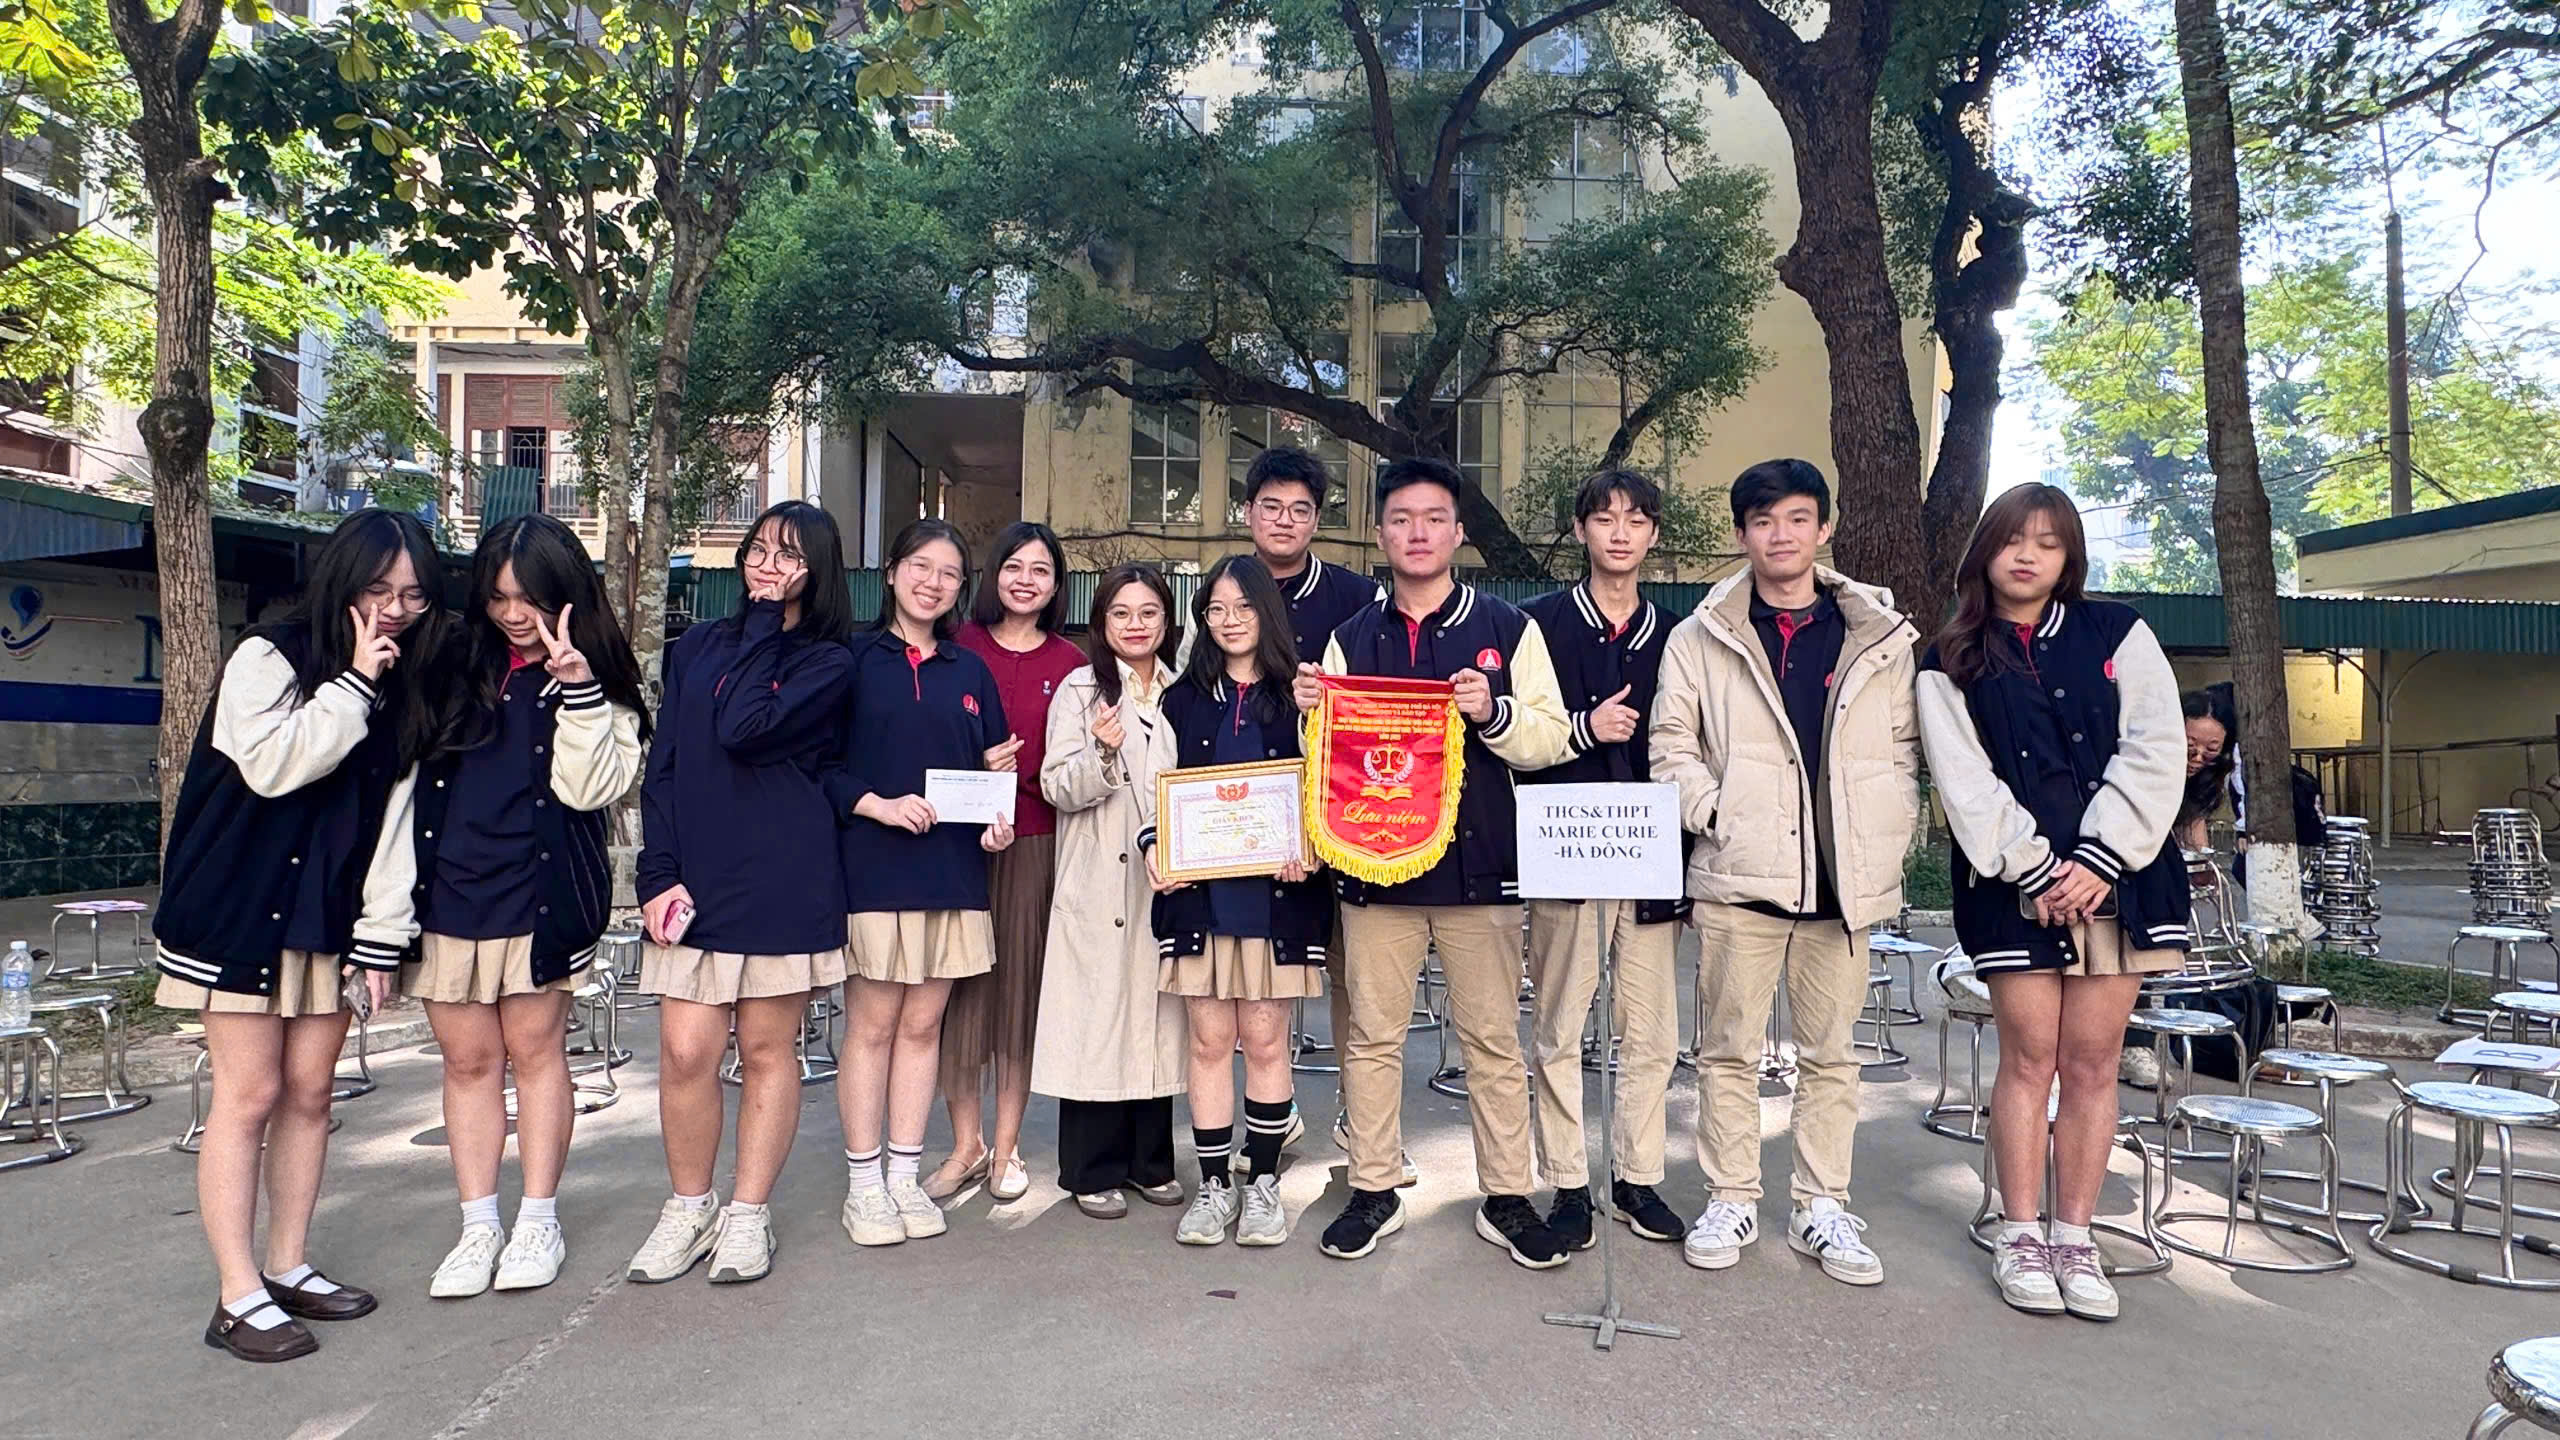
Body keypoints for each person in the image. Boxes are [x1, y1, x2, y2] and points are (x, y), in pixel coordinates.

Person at [153, 507, 444, 1363]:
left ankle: (287, 1265)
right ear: (341, 580)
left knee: (312, 1094)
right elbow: (277, 765)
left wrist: (381, 935)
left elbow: (395, 821)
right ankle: (236, 1294)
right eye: (379, 589)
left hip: (324, 916)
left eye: (413, 596)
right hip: (240, 908)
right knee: (249, 1096)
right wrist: (352, 684)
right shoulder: (269, 655)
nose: (395, 610)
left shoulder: (404, 683)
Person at [1916, 482, 2189, 1322]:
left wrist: (2101, 857)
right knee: (2029, 1058)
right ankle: (2021, 1232)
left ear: (2069, 554)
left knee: (2093, 1062)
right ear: (1986, 551)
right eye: (2012, 540)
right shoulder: (1950, 657)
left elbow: (2156, 748)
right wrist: (2036, 869)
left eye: (2048, 541)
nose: (2028, 556)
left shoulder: (2119, 631)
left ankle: (2076, 1235)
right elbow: (1965, 782)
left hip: (2123, 879)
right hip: (2015, 889)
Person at [1293, 456, 1574, 1268]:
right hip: (1374, 872)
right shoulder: (1351, 639)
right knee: (1372, 1039)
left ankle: (1508, 1194)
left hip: (1480, 875)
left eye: (1434, 518)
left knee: (1492, 1041)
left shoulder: (1508, 629)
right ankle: (1374, 1186)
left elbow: (1552, 737)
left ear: (1457, 532)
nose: (1417, 533)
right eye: (1401, 519)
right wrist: (1312, 714)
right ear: (1380, 532)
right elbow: (1326, 762)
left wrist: (1495, 712)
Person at [1651, 457, 1920, 1288]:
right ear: (1742, 534)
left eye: (1798, 518)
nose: (1781, 535)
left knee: (1831, 1056)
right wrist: (1720, 815)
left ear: (1824, 528)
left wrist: (1889, 827)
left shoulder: (1878, 634)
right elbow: (1671, 747)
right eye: (1763, 521)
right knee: (1727, 1052)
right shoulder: (1701, 636)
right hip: (1741, 880)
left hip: (1843, 888)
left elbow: (1903, 749)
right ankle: (1731, 1195)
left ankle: (1821, 1205)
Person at [409, 514, 648, 1299]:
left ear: (567, 594)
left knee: (538, 1054)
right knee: (468, 1062)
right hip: (447, 893)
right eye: (499, 596)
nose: (514, 614)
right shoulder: (450, 661)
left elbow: (589, 790)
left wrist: (578, 687)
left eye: (531, 598)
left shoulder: (601, 682)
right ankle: (478, 1225)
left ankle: (538, 1219)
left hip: (539, 897)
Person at [628, 500, 857, 1286]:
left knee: (765, 1051)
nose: (767, 565)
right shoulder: (697, 645)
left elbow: (744, 726)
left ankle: (749, 1213)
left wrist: (763, 623)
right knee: (685, 1050)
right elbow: (666, 762)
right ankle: (689, 1207)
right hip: (695, 877)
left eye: (789, 556)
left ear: (816, 572)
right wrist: (656, 871)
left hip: (782, 875)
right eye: (759, 549)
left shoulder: (829, 663)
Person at [829, 519, 1016, 1247]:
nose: (933, 583)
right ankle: (863, 1184)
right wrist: (875, 804)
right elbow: (820, 766)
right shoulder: (851, 660)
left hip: (952, 874)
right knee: (872, 1027)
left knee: (921, 1027)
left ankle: (904, 1176)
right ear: (891, 571)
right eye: (920, 566)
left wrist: (996, 824)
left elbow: (991, 774)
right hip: (874, 872)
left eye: (949, 573)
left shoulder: (971, 673)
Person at [1517, 470, 1690, 1252]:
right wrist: (1585, 727)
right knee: (1558, 1027)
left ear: (1654, 533)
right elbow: (1512, 732)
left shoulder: (1679, 634)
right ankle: (1566, 1182)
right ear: (1581, 528)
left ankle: (1636, 1176)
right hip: (1567, 847)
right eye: (1605, 518)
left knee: (1650, 1032)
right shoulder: (1536, 625)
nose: (1620, 533)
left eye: (1636, 519)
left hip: (1653, 854)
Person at [1138, 554, 1326, 1248]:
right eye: (1215, 609)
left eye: (1243, 607)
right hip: (1201, 900)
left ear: (1266, 612)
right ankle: (1214, 1186)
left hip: (1279, 898)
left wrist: (1312, 845)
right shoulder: (1181, 699)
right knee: (1210, 1041)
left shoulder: (1301, 697)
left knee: (1267, 1040)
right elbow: (1156, 785)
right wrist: (1157, 849)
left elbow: (1324, 785)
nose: (1229, 620)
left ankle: (1264, 1184)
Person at [929, 522, 1086, 1204]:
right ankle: (965, 1145)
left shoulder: (1072, 664)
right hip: (955, 840)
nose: (1026, 580)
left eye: (1041, 570)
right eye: (1014, 566)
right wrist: (975, 761)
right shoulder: (956, 646)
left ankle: (1008, 1147)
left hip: (1035, 841)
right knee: (958, 996)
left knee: (1019, 993)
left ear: (1056, 586)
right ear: (993, 575)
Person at [1030, 563, 1190, 1219]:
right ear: (1101, 622)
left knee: (1156, 1015)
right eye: (1121, 613)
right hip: (1098, 874)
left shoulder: (1181, 690)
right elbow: (1055, 785)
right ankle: (1089, 1168)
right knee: (1097, 1017)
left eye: (1148, 612)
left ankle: (1151, 1162)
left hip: (1164, 877)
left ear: (1167, 621)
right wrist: (1098, 753)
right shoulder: (1079, 690)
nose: (1135, 625)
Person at [1235, 446, 1377, 1159]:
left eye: (1300, 509)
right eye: (1271, 507)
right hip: (1250, 812)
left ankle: (1363, 1122)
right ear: (1248, 513)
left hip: (1346, 808)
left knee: (1356, 975)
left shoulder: (1358, 598)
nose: (1284, 520)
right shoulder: (1225, 587)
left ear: (1318, 520)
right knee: (1264, 976)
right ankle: (1276, 1111)